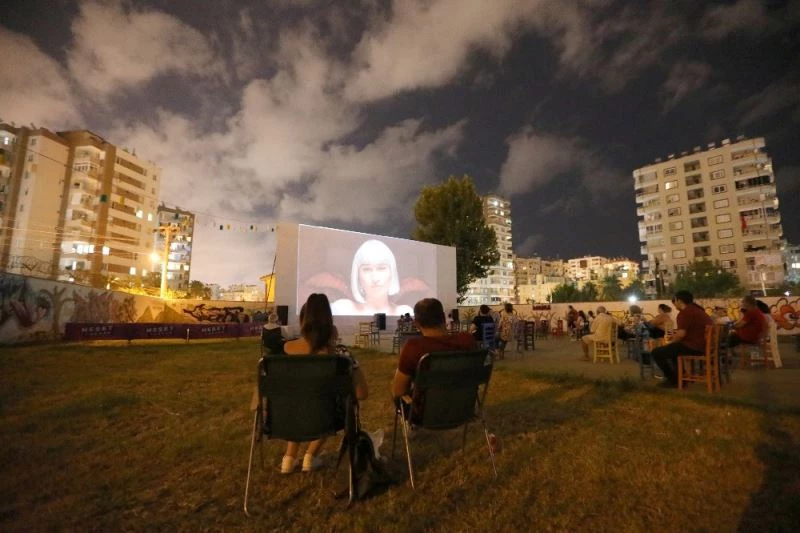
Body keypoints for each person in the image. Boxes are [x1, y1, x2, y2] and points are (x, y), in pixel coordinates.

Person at [281, 293, 369, 474]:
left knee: (297, 400)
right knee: (326, 404)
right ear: (330, 323)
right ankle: (310, 456)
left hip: (286, 416)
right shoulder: (341, 355)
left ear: (302, 322)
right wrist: (332, 342)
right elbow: (362, 393)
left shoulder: (282, 352)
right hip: (324, 417)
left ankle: (288, 458)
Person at [392, 298, 478, 399]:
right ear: (443, 317)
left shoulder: (413, 347)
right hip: (463, 403)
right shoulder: (467, 340)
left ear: (416, 323)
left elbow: (399, 391)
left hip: (426, 407)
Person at [331, 240, 414, 316]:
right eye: (367, 269)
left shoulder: (405, 313)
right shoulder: (341, 309)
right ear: (357, 275)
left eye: (381, 268)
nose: (375, 278)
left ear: (392, 272)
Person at [651, 291, 713, 388]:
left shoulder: (685, 313)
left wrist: (670, 343)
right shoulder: (699, 310)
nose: (674, 303)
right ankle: (679, 378)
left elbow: (681, 335)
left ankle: (672, 380)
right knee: (673, 350)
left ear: (679, 301)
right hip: (703, 345)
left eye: (675, 301)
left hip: (694, 347)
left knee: (657, 352)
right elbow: (689, 331)